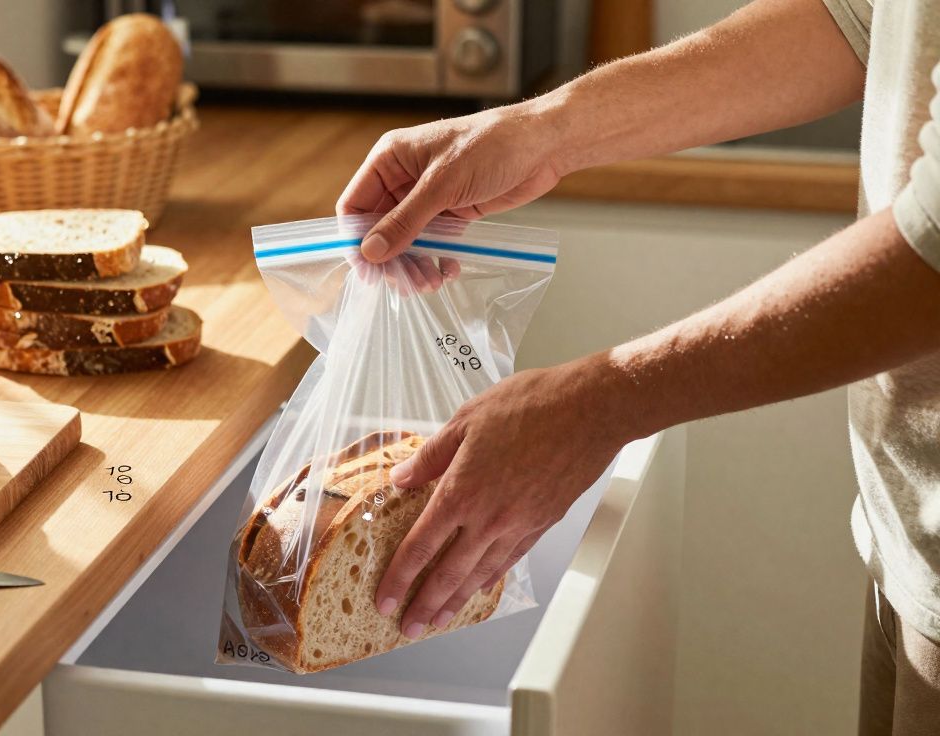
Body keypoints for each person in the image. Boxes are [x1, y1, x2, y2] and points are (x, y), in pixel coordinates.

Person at [338, 1, 940, 732]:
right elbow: (859, 18)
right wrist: (542, 130)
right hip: (906, 533)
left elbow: (932, 256)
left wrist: (599, 403)